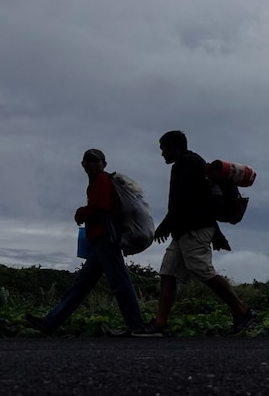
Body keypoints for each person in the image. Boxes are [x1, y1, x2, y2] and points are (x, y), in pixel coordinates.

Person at [136, 130, 255, 337]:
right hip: (184, 230)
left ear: (174, 146)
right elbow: (200, 200)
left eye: (163, 148)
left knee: (203, 271)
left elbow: (186, 200)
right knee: (168, 273)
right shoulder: (189, 163)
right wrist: (215, 234)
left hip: (194, 229)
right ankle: (160, 324)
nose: (162, 153)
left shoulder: (188, 163)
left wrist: (165, 225)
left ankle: (242, 311)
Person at [25, 149, 146, 336]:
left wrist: (81, 213)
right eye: (88, 161)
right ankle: (50, 322)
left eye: (95, 161)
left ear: (104, 164)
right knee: (82, 284)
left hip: (106, 239)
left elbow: (102, 205)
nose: (91, 164)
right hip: (101, 240)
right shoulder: (99, 181)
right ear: (83, 165)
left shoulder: (101, 180)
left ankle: (137, 326)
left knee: (118, 282)